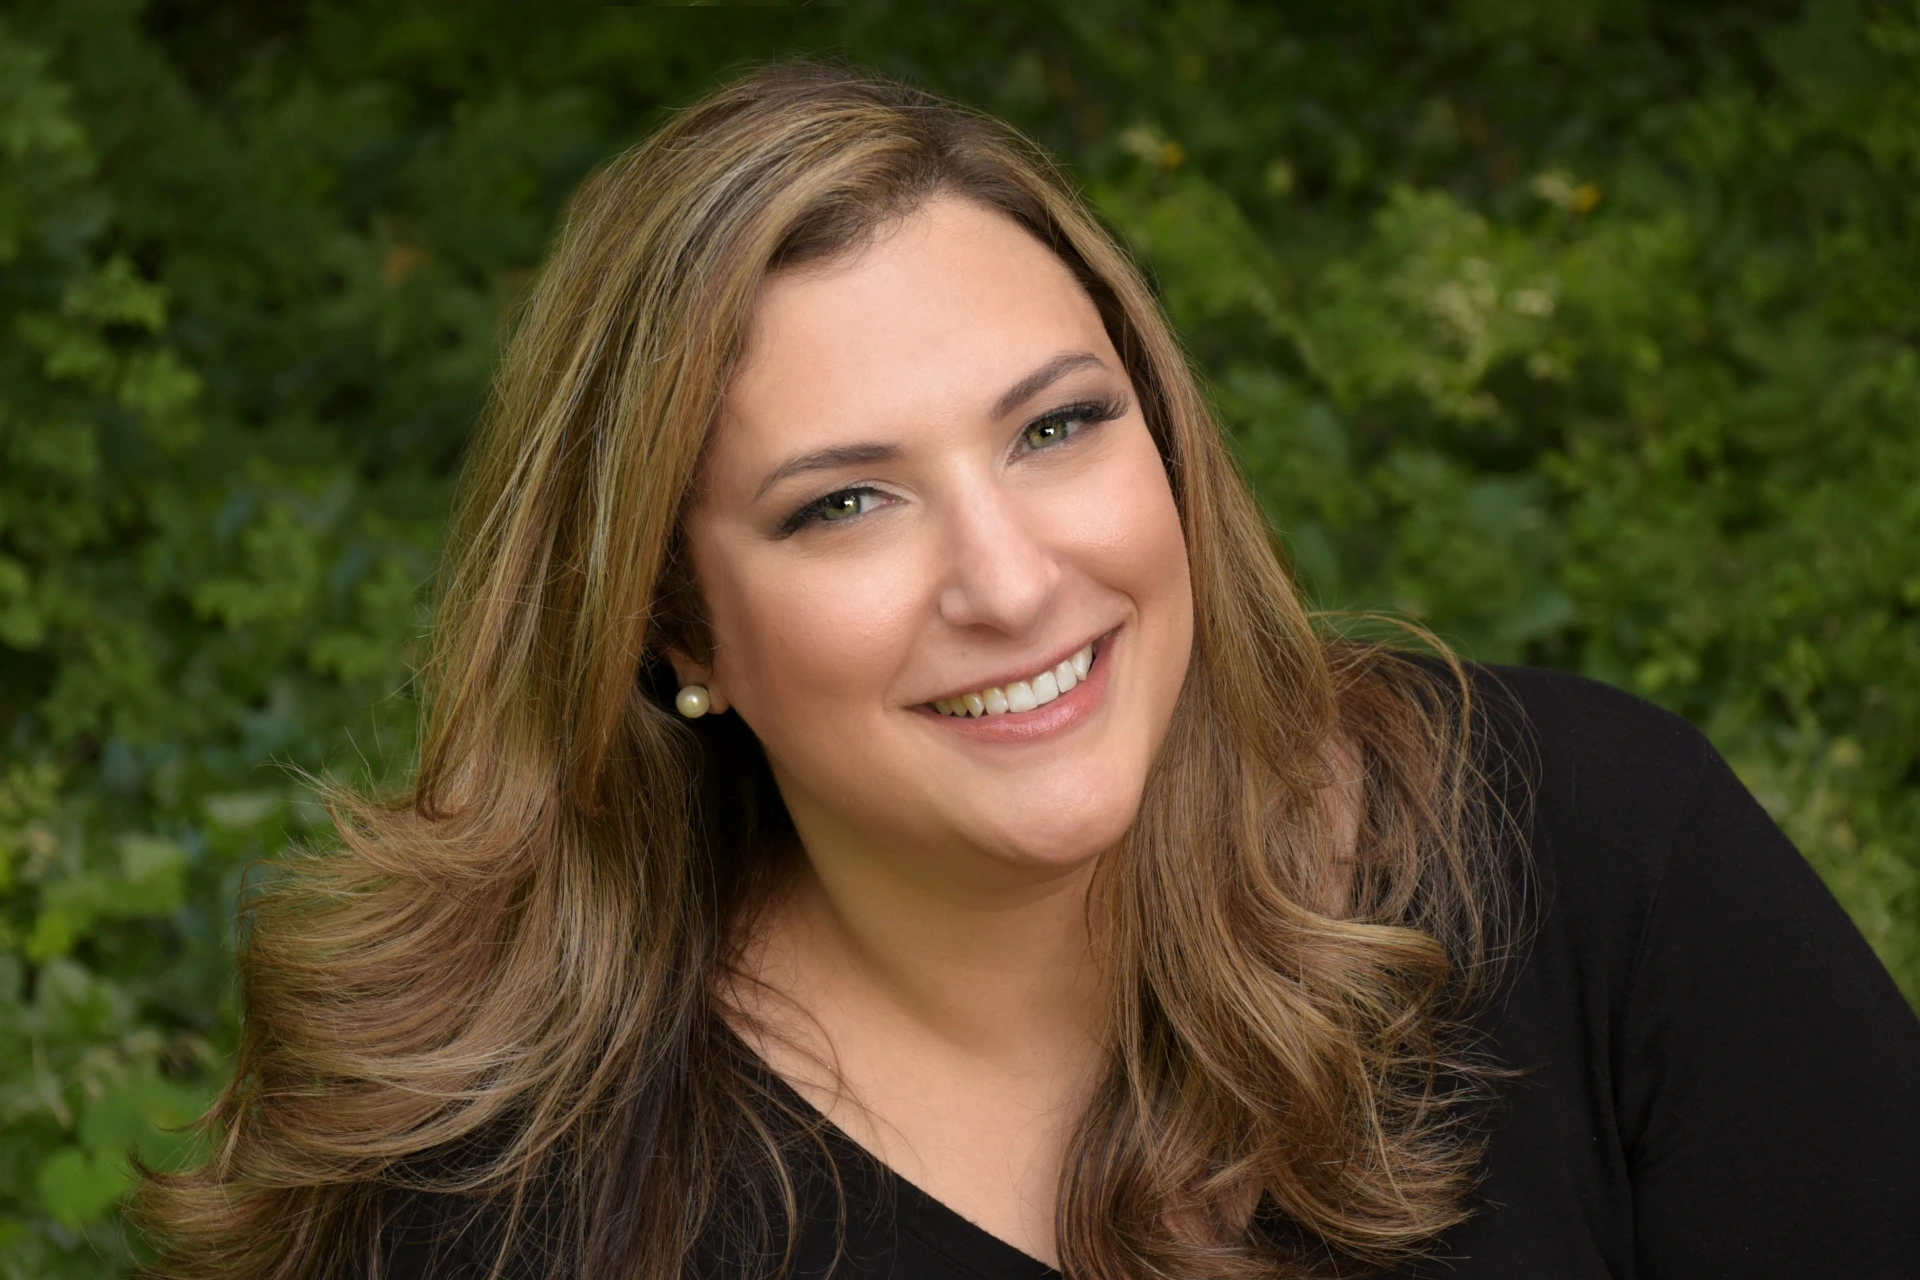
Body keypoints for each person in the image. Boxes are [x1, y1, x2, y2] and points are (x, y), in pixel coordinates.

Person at [138, 62, 1920, 1280]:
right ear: (676, 630)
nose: (1008, 580)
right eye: (843, 504)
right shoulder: (510, 1206)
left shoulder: (1585, 852)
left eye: (1058, 427)